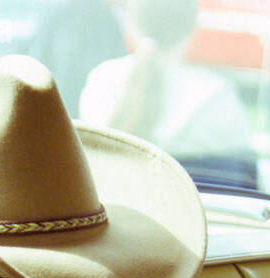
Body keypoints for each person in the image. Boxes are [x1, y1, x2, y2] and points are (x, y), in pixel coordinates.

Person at [79, 0, 255, 185]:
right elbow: (247, 180)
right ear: (192, 27)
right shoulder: (219, 98)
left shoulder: (103, 82)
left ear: (132, 23)